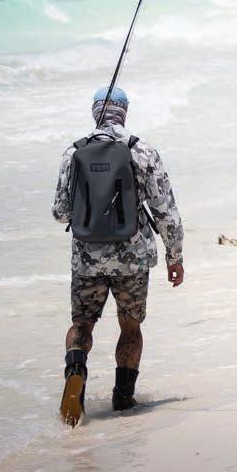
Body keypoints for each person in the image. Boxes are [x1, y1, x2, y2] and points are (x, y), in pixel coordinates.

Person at [52, 85, 184, 425]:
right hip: (133, 258)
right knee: (130, 326)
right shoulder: (142, 151)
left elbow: (60, 212)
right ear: (124, 112)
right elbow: (165, 210)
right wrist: (175, 256)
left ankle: (76, 370)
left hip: (87, 258)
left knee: (82, 324)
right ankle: (123, 397)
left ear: (95, 112)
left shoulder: (74, 152)